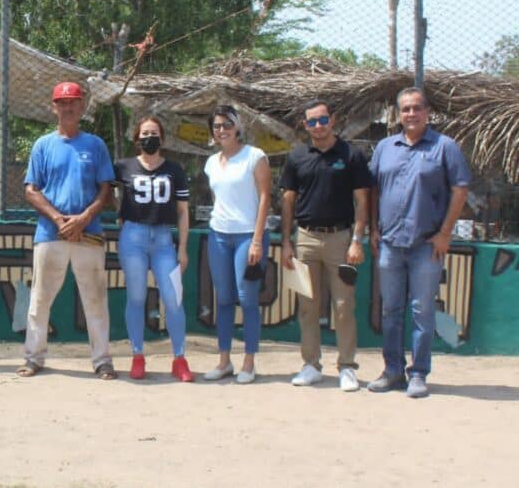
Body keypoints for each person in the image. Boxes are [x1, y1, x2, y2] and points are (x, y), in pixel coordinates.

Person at [368, 87, 471, 398]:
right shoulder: (385, 147)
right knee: (390, 311)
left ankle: (419, 373)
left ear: (427, 112)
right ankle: (392, 371)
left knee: (422, 312)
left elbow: (460, 189)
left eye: (416, 108)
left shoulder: (444, 147)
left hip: (426, 244)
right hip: (389, 243)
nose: (410, 114)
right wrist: (373, 227)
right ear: (397, 114)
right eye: (405, 109)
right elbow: (372, 189)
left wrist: (445, 233)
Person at [17, 81, 117, 380]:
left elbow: (106, 190)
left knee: (95, 299)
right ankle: (33, 358)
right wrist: (60, 220)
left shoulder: (95, 145)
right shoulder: (43, 145)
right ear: (54, 107)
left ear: (82, 106)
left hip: (89, 233)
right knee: (40, 299)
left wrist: (84, 217)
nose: (68, 106)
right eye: (62, 102)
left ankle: (102, 361)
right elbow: (31, 190)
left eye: (73, 101)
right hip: (51, 233)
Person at [279, 100, 373, 392]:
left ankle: (347, 367)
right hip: (305, 239)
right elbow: (287, 201)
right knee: (307, 305)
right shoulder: (296, 158)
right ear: (305, 126)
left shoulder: (351, 155)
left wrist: (357, 240)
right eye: (311, 122)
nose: (318, 126)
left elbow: (362, 200)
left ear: (332, 120)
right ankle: (311, 365)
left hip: (341, 239)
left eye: (322, 120)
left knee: (344, 305)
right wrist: (286, 242)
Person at [113, 115, 193, 381]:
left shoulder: (174, 169)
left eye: (154, 133)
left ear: (162, 138)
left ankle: (179, 358)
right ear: (136, 139)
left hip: (162, 238)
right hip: (133, 236)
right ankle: (137, 355)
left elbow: (182, 211)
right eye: (145, 133)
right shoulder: (123, 167)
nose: (150, 137)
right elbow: (107, 194)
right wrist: (119, 217)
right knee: (136, 297)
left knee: (173, 298)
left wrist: (182, 248)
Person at [202, 105, 272, 384]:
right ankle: (224, 361)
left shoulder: (255, 157)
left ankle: (249, 362)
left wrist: (257, 240)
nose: (222, 130)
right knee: (224, 299)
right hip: (218, 234)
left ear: (237, 126)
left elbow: (266, 197)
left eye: (227, 124)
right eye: (217, 126)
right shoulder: (210, 163)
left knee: (247, 298)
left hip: (248, 236)